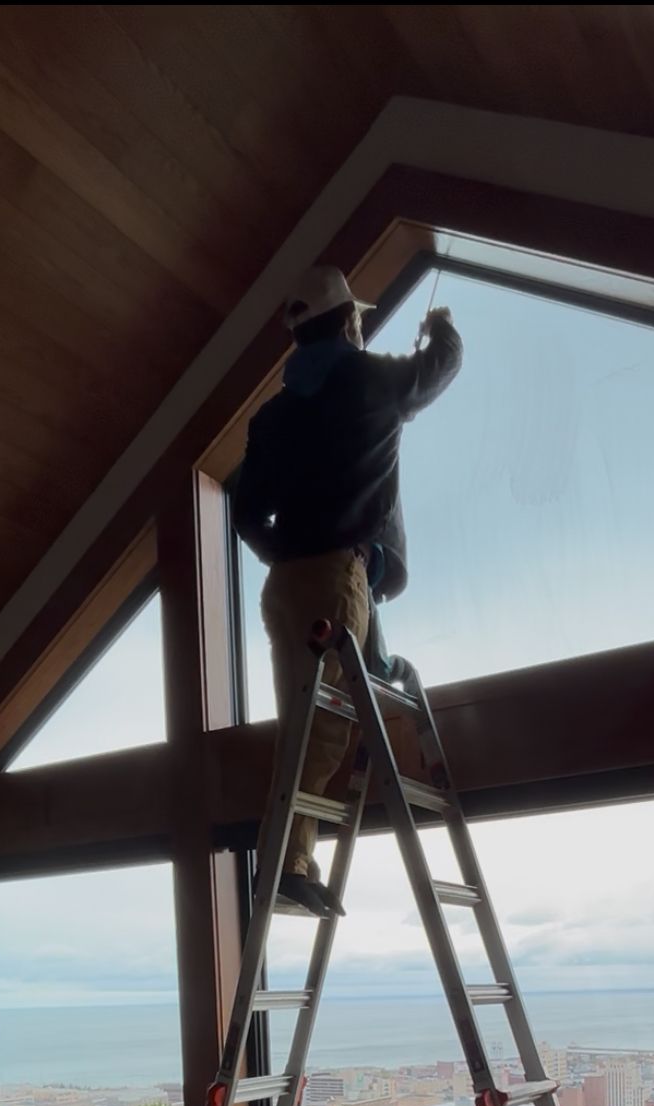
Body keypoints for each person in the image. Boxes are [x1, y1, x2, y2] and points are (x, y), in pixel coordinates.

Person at [233, 263, 463, 916]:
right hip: (335, 579)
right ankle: (282, 870)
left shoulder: (273, 417)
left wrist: (294, 557)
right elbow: (433, 372)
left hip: (288, 586)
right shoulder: (365, 380)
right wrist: (442, 330)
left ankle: (294, 862)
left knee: (305, 727)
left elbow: (246, 513)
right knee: (325, 733)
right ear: (350, 321)